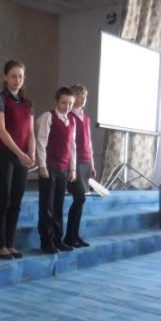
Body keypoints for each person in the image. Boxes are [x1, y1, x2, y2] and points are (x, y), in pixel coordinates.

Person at [0, 60, 36, 259]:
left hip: (23, 157)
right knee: (4, 199)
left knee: (16, 200)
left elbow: (31, 132)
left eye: (20, 76)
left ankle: (10, 243)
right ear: (5, 77)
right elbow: (1, 131)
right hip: (5, 155)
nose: (17, 80)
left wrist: (32, 153)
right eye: (13, 76)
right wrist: (20, 153)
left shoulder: (28, 103)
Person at [37, 87, 77, 253]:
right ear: (56, 101)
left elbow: (72, 146)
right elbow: (41, 142)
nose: (67, 107)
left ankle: (57, 239)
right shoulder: (49, 117)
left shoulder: (72, 121)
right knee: (47, 205)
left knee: (59, 205)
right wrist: (42, 165)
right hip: (49, 167)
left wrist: (73, 168)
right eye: (63, 103)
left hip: (63, 168)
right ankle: (46, 242)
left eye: (70, 104)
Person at [63, 84, 95, 248]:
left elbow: (89, 142)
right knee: (79, 198)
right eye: (79, 95)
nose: (83, 98)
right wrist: (72, 166)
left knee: (81, 200)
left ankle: (75, 235)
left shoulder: (85, 117)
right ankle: (69, 236)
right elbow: (71, 143)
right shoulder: (70, 116)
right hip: (75, 162)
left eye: (85, 96)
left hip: (85, 161)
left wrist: (92, 163)